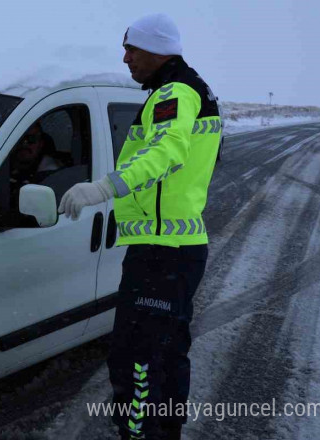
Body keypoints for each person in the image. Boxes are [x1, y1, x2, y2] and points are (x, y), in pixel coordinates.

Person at [58, 13, 222, 440]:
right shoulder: (187, 90)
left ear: (157, 50)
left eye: (132, 49)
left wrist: (105, 188)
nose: (125, 57)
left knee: (139, 360)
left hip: (164, 251)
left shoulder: (175, 93)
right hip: (167, 248)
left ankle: (143, 434)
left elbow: (167, 151)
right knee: (159, 356)